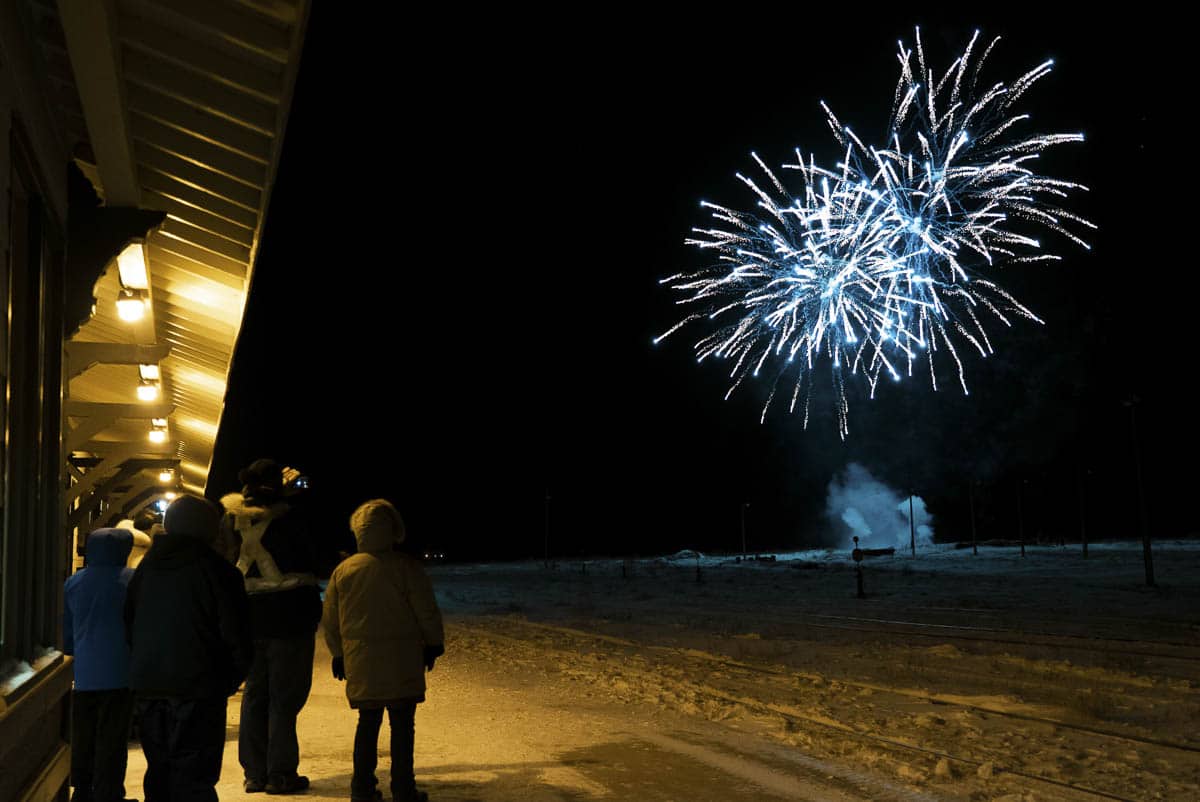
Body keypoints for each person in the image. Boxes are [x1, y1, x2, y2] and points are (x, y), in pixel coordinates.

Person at [124, 494, 253, 802]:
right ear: (209, 529)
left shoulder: (146, 569)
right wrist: (230, 677)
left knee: (159, 769)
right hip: (199, 689)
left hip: (150, 686)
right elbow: (236, 633)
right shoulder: (219, 572)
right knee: (194, 774)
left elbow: (129, 623)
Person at [322, 499, 445, 802]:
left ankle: (361, 788)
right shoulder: (407, 568)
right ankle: (404, 788)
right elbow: (425, 610)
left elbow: (331, 618)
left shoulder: (344, 571)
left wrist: (338, 653)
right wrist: (433, 643)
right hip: (403, 660)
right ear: (392, 530)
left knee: (368, 722)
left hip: (362, 660)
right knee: (403, 726)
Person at [220, 458, 322, 794]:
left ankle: (254, 773)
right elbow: (314, 557)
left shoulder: (229, 520)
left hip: (248, 619)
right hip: (290, 619)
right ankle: (280, 773)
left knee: (254, 695)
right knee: (285, 699)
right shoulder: (293, 518)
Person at [63, 527, 136, 802]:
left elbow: (67, 631)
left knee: (83, 736)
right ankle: (109, 792)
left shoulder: (74, 582)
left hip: (84, 674)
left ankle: (82, 790)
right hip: (121, 672)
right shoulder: (132, 580)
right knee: (112, 739)